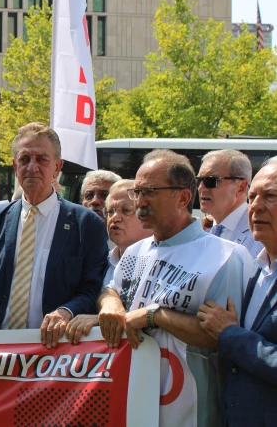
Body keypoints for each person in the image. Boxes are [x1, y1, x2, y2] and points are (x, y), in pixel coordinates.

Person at [98, 149, 251, 427]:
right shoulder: (134, 252)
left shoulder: (226, 257)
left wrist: (154, 316)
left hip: (192, 413)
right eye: (137, 192)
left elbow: (222, 336)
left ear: (183, 197)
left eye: (150, 192)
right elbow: (111, 289)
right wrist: (111, 304)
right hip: (133, 403)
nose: (140, 202)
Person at [0, 122, 109, 349]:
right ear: (15, 166)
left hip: (57, 352)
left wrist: (66, 311)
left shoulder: (86, 224)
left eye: (42, 159)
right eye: (25, 159)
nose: (32, 167)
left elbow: (91, 289)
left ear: (57, 167)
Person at [197, 161, 277, 426]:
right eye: (252, 197)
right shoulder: (255, 268)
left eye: (271, 196)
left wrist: (229, 333)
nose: (256, 206)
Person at [64, 179, 152, 343]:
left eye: (126, 210)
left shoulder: (161, 261)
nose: (115, 218)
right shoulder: (101, 261)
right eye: (110, 211)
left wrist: (99, 320)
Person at [197, 149, 262, 257]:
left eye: (210, 181)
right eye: (199, 180)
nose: (201, 188)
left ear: (241, 187)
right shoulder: (201, 232)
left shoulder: (260, 236)